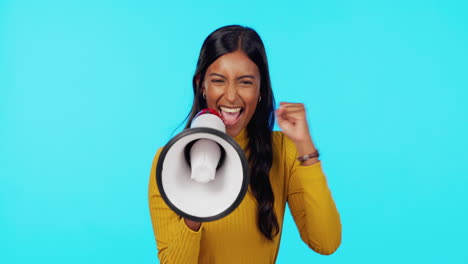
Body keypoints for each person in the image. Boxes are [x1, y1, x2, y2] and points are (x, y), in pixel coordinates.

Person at [148, 25, 341, 263]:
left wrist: (305, 146)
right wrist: (194, 204)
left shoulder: (283, 151)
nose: (231, 96)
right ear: (201, 84)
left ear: (261, 88)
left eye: (245, 82)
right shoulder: (169, 162)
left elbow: (326, 242)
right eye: (219, 80)